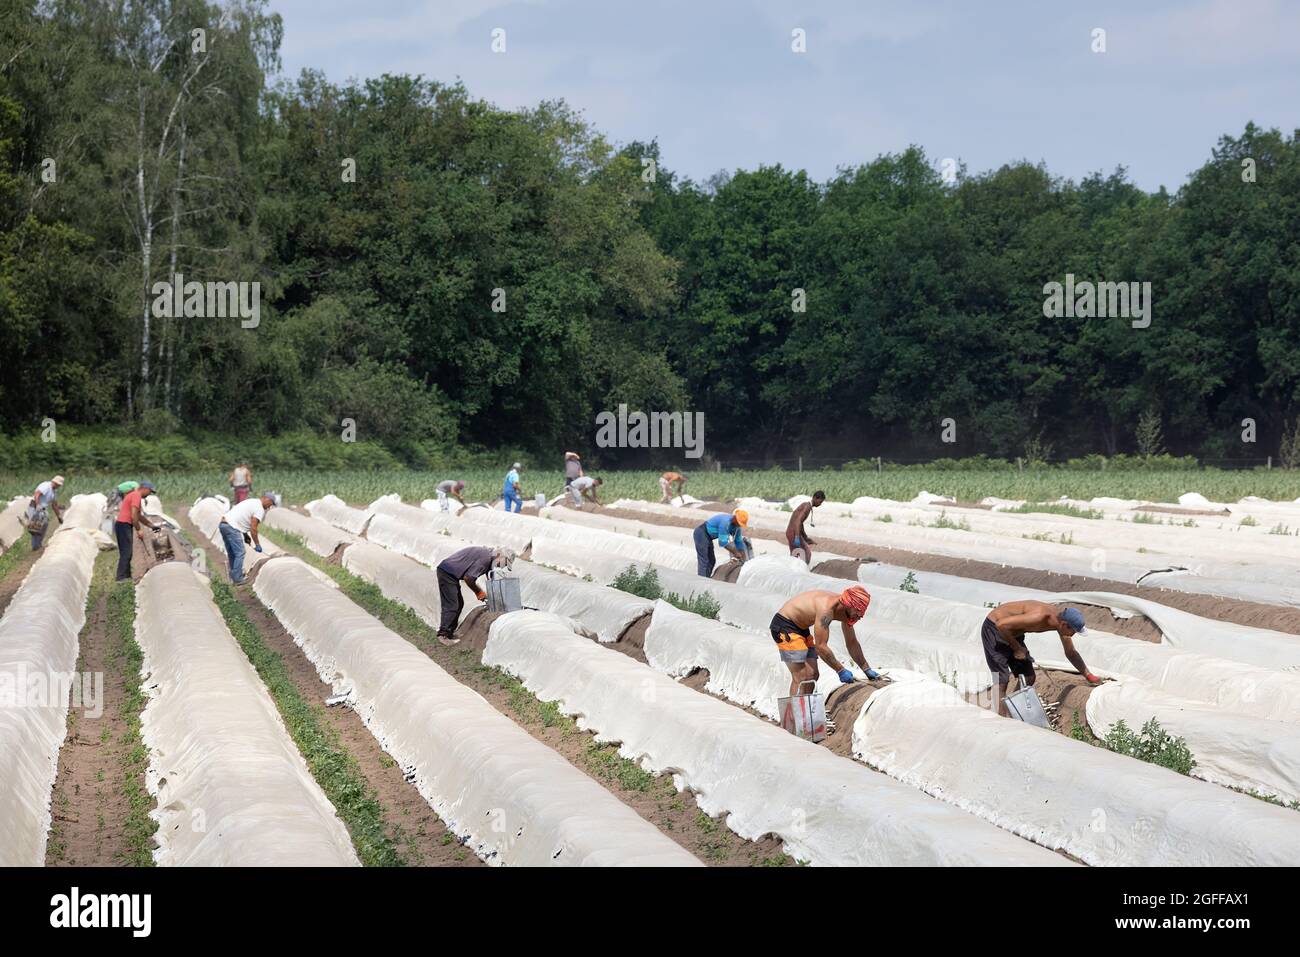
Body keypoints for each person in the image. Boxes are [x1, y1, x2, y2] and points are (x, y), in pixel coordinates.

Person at [982, 601, 1102, 716]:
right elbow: (1001, 625)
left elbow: (1070, 652)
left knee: (1029, 677)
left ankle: (1012, 710)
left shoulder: (1060, 624)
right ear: (1065, 624)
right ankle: (1001, 719)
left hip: (1012, 633)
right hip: (994, 628)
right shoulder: (1040, 616)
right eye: (1073, 631)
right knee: (1002, 680)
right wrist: (1017, 649)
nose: (1072, 635)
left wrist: (1088, 675)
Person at [770, 586, 877, 696]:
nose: (860, 616)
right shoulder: (826, 609)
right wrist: (840, 670)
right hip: (784, 626)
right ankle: (795, 712)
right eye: (858, 610)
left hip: (801, 629)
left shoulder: (848, 613)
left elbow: (852, 643)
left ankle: (805, 709)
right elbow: (821, 647)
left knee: (813, 674)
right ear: (848, 604)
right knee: (801, 676)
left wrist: (866, 668)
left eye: (863, 611)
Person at [435, 545, 516, 644]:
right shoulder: (485, 558)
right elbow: (468, 578)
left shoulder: (489, 558)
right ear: (500, 556)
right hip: (447, 572)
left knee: (459, 603)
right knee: (452, 604)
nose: (502, 567)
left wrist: (500, 597)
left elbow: (491, 578)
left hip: (450, 572)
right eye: (504, 563)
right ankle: (443, 635)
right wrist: (479, 593)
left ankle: (449, 633)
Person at [218, 492, 280, 585]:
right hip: (232, 527)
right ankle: (237, 579)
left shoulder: (253, 501)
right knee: (240, 552)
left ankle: (234, 576)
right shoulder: (259, 509)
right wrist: (257, 544)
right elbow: (253, 528)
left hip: (224, 524)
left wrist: (245, 535)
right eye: (271, 504)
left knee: (232, 552)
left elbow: (241, 518)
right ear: (267, 499)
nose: (270, 507)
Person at [114, 481, 162, 581]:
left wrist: (151, 526)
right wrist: (139, 529)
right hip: (124, 525)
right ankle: (121, 578)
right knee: (126, 553)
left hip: (123, 525)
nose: (149, 494)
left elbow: (139, 516)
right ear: (144, 489)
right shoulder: (136, 495)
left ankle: (126, 576)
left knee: (127, 552)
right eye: (150, 492)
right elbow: (134, 515)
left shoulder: (134, 495)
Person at [693, 509, 751, 577]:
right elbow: (723, 543)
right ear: (735, 518)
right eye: (738, 523)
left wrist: (743, 556)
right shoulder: (725, 522)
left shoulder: (737, 527)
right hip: (701, 533)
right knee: (705, 560)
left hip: (708, 537)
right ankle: (702, 580)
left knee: (712, 560)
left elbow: (738, 541)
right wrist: (736, 552)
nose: (739, 525)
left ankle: (706, 578)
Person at [26, 475, 66, 550]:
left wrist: (59, 517)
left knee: (44, 525)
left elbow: (54, 505)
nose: (59, 486)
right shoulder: (46, 486)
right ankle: (35, 546)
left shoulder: (54, 491)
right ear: (55, 482)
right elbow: (37, 494)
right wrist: (38, 505)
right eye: (58, 485)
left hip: (42, 509)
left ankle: (38, 544)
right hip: (35, 507)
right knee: (36, 527)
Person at [786, 491, 825, 564]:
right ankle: (802, 571)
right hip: (793, 533)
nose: (820, 504)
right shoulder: (807, 507)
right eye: (820, 502)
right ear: (814, 498)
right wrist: (797, 537)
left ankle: (794, 571)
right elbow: (798, 522)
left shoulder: (806, 506)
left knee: (795, 554)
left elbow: (800, 524)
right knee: (806, 553)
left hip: (791, 532)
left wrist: (805, 537)